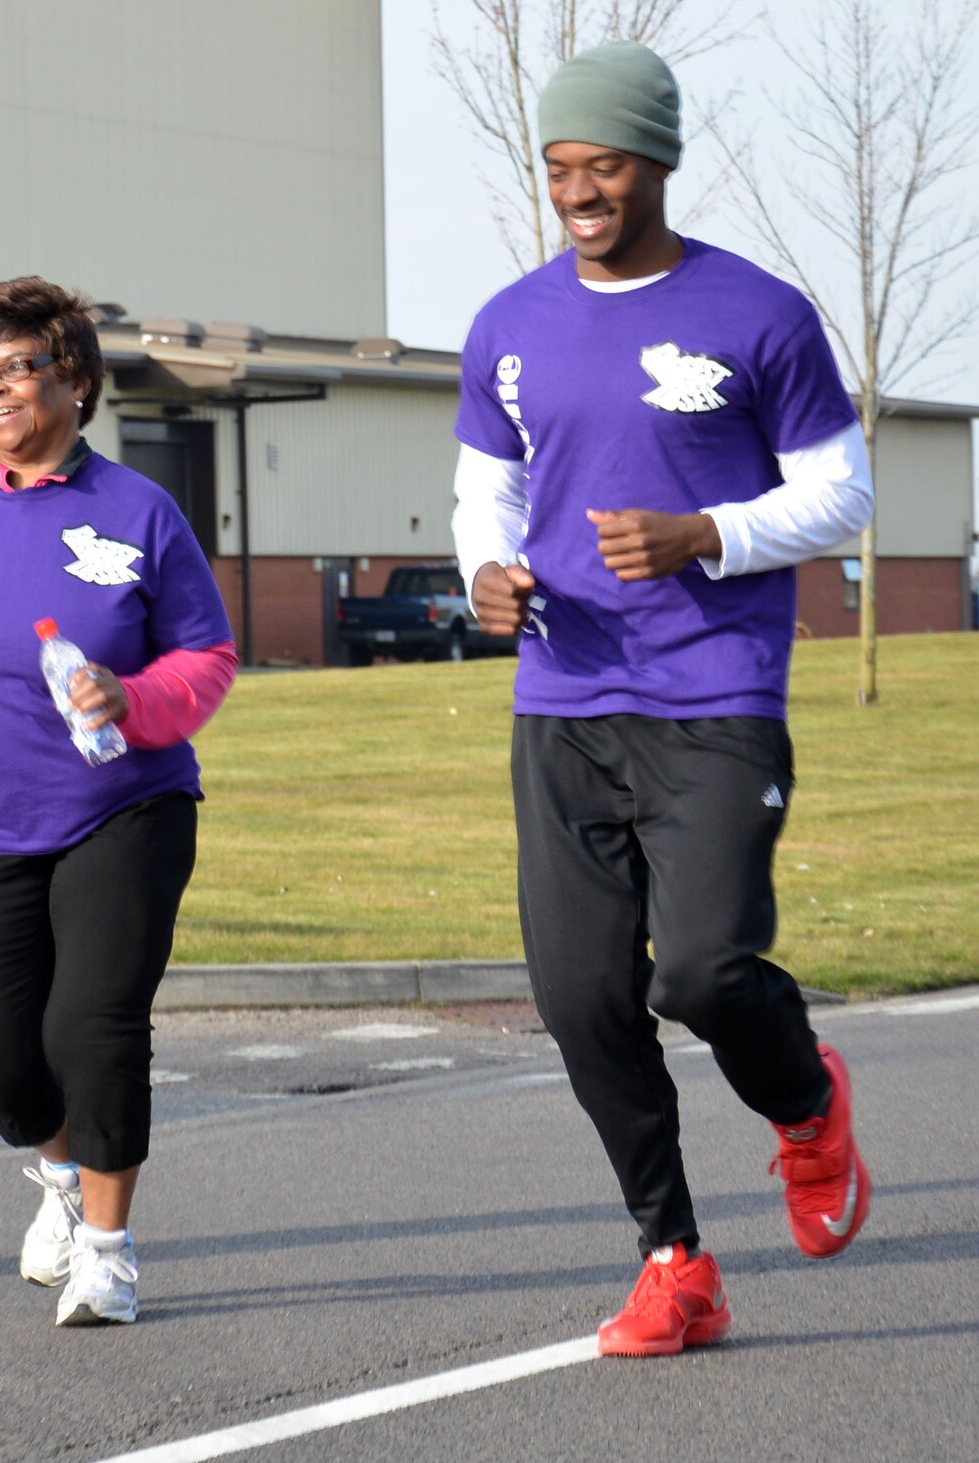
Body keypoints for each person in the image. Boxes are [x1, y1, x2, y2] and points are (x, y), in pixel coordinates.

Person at [451, 42, 876, 1358]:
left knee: (700, 968)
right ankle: (674, 1256)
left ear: (658, 163)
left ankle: (806, 1107)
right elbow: (488, 487)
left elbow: (843, 490)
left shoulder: (759, 311)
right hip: (563, 696)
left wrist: (708, 533)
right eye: (562, 167)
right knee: (582, 996)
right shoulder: (509, 323)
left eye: (606, 164)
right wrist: (484, 572)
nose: (581, 189)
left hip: (715, 692)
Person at [0, 277, 237, 1326]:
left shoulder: (137, 510)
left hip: (123, 804)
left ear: (73, 379)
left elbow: (205, 655)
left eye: (16, 367)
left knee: (92, 1023)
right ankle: (63, 1177)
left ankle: (110, 1252)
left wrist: (134, 695)